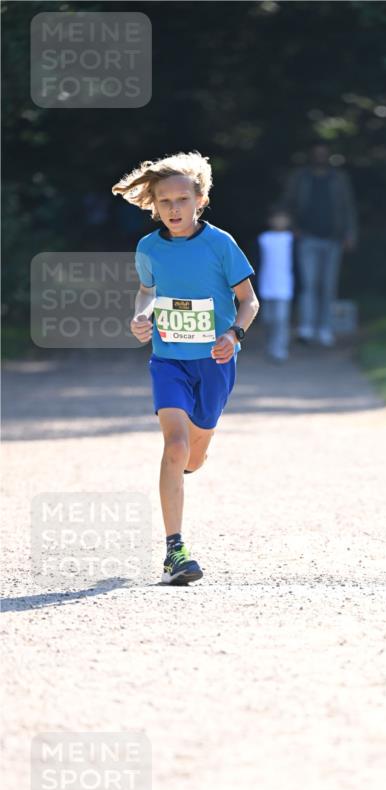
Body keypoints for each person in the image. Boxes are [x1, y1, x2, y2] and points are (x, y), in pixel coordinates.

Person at [111, 151, 259, 585]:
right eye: (164, 201)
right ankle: (175, 550)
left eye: (181, 200)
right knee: (174, 446)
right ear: (154, 205)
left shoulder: (221, 244)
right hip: (169, 359)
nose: (173, 209)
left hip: (214, 363)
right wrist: (142, 315)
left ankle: (197, 455)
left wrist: (233, 335)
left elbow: (249, 300)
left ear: (200, 200)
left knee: (195, 450)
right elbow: (146, 291)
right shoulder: (149, 247)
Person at [284, 143, 357, 347]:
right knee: (309, 284)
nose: (320, 157)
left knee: (328, 285)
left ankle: (325, 328)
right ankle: (306, 327)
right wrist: (293, 227)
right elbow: (288, 203)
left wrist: (350, 233)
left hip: (333, 238)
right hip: (307, 237)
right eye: (317, 154)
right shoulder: (300, 178)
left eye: (323, 154)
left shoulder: (339, 178)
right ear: (311, 156)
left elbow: (348, 206)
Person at [257, 208, 294, 363]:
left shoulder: (291, 239)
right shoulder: (263, 239)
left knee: (281, 318)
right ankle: (271, 346)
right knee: (269, 319)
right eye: (276, 218)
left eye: (283, 218)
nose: (279, 222)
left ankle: (280, 349)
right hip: (266, 284)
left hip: (285, 285)